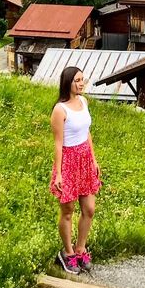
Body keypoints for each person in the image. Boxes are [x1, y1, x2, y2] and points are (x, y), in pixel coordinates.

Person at [50, 65, 101, 274]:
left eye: (83, 80)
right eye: (77, 81)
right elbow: (58, 143)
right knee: (68, 211)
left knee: (89, 209)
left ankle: (81, 249)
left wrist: (94, 160)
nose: (81, 84)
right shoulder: (60, 110)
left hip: (85, 159)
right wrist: (59, 173)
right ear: (68, 83)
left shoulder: (83, 102)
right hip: (69, 161)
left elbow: (87, 133)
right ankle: (68, 253)